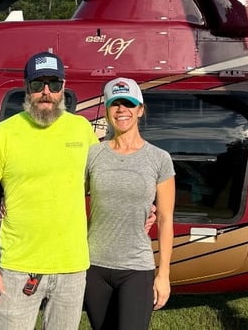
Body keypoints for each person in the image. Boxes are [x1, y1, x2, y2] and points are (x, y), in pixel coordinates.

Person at [0, 51, 100, 329]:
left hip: (72, 266)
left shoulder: (82, 130)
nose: (46, 93)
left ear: (63, 87)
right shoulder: (1, 134)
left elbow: (102, 184)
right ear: (26, 87)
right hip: (18, 267)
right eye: (37, 84)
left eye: (54, 84)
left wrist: (143, 208)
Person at [84, 77, 176, 330]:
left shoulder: (159, 159)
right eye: (115, 104)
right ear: (107, 110)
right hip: (94, 266)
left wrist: (164, 275)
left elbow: (167, 219)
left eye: (128, 103)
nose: (121, 110)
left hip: (136, 267)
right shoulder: (93, 154)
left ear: (140, 109)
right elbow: (70, 199)